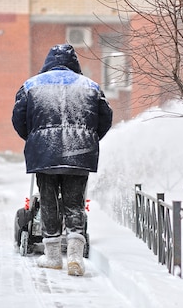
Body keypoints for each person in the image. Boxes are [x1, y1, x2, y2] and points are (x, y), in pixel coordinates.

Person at [12, 43, 113, 276]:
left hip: (44, 152)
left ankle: (53, 256)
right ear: (74, 63)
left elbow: (18, 118)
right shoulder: (91, 86)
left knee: (48, 201)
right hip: (79, 152)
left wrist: (34, 137)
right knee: (74, 202)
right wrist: (89, 138)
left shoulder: (31, 85)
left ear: (48, 62)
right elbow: (105, 118)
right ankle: (75, 256)